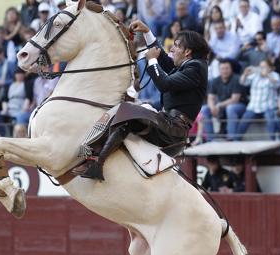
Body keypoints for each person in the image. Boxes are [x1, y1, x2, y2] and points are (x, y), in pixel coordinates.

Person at [80, 20, 210, 180]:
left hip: (173, 128)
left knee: (128, 113)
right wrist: (147, 32)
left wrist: (151, 60)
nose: (172, 48)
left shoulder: (195, 68)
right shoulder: (189, 65)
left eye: (176, 45)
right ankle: (94, 158)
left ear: (187, 52)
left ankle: (97, 164)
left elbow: (164, 83)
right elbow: (164, 60)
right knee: (129, 115)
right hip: (170, 124)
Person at [237, 60, 280, 140]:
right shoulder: (255, 75)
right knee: (243, 122)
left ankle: (273, 141)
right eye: (261, 67)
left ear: (270, 68)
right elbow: (242, 82)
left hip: (268, 106)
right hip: (253, 106)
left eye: (264, 67)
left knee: (271, 121)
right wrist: (245, 74)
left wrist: (267, 75)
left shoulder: (274, 75)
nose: (262, 69)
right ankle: (236, 140)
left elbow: (277, 84)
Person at [206, 59, 246, 140]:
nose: (225, 71)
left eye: (227, 68)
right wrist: (212, 107)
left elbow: (235, 99)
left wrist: (218, 105)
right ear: (219, 70)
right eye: (222, 69)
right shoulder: (215, 80)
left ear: (231, 69)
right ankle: (210, 139)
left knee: (230, 108)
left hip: (240, 106)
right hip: (221, 107)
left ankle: (232, 138)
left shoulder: (236, 79)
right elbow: (210, 97)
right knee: (204, 110)